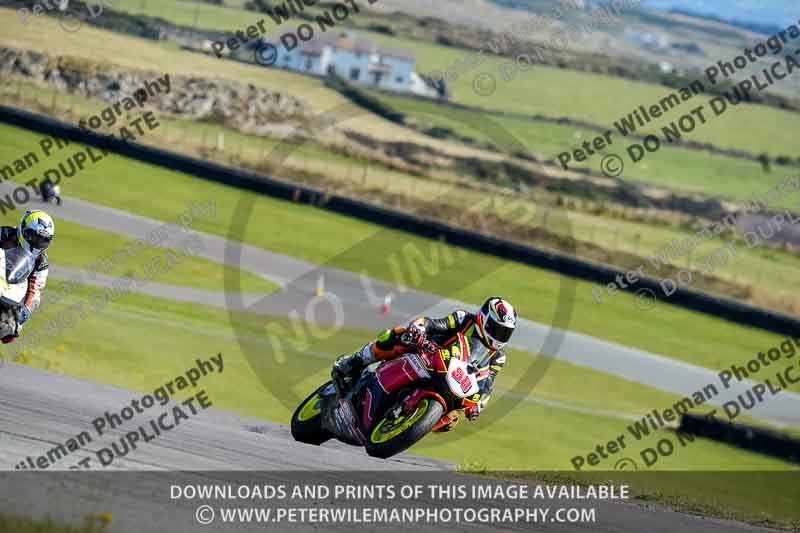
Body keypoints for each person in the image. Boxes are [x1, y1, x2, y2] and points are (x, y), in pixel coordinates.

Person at [332, 297, 517, 432]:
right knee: (397, 336)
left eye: (505, 333)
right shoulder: (464, 319)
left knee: (451, 421)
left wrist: (478, 405)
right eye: (497, 329)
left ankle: (408, 426)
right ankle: (353, 362)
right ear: (484, 319)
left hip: (455, 380)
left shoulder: (498, 357)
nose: (499, 336)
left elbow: (487, 384)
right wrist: (419, 329)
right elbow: (433, 323)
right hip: (429, 352)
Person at [0, 210, 55, 343]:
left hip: (12, 291)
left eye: (42, 240)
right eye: (33, 236)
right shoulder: (5, 233)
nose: (36, 242)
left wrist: (23, 313)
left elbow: (35, 290)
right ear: (23, 228)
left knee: (10, 332)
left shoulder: (41, 261)